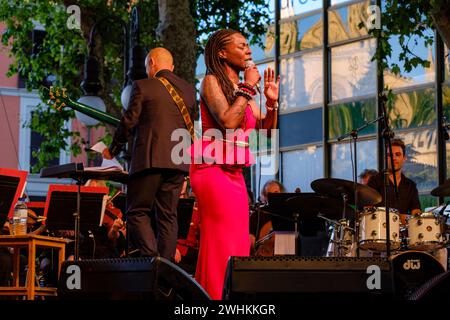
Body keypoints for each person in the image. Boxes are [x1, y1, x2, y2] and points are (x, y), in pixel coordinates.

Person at [189, 29, 280, 299]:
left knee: (237, 242)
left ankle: (213, 297)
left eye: (248, 44)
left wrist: (272, 104)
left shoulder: (244, 92)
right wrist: (250, 87)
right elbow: (228, 121)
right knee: (221, 245)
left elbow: (265, 133)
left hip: (234, 174)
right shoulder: (210, 82)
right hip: (211, 171)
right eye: (241, 45)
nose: (248, 50)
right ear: (222, 53)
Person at [103, 47, 196, 260]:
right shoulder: (189, 91)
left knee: (137, 211)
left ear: (152, 63)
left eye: (147, 67)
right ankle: (165, 270)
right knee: (168, 216)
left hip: (150, 159)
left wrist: (114, 148)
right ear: (171, 67)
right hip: (178, 161)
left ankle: (151, 260)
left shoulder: (143, 86)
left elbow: (129, 121)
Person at [367, 138, 421, 225]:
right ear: (386, 158)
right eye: (390, 155)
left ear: (404, 158)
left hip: (403, 234)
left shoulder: (411, 185)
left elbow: (416, 211)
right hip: (380, 231)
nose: (394, 158)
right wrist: (397, 218)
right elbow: (367, 208)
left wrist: (411, 218)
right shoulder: (375, 181)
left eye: (398, 154)